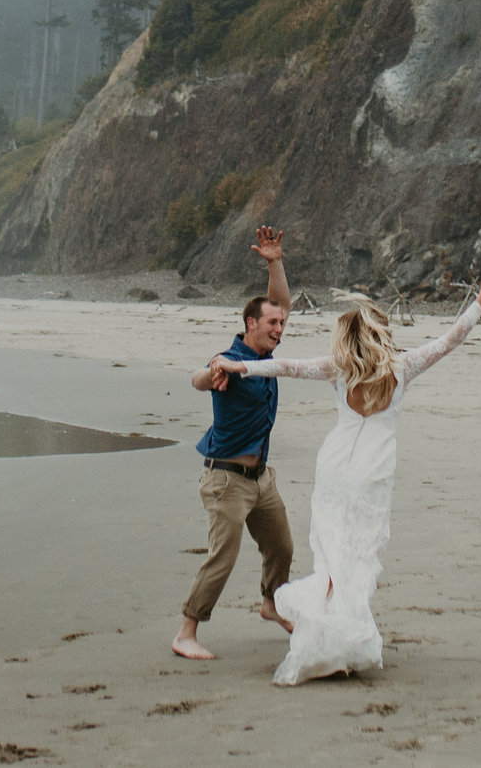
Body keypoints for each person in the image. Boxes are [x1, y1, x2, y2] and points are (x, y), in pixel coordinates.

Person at [206, 261, 481, 685]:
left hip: (333, 472)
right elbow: (450, 339)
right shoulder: (403, 368)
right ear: (380, 335)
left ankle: (326, 637)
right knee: (358, 560)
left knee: (330, 557)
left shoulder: (339, 369)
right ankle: (344, 641)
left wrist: (243, 367)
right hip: (370, 477)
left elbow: (287, 366)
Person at [172, 225, 295, 662]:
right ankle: (186, 631)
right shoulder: (233, 359)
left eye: (281, 323)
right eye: (271, 323)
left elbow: (280, 300)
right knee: (222, 559)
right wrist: (212, 374)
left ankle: (271, 603)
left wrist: (275, 262)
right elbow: (199, 378)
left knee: (281, 546)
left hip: (261, 477)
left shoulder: (265, 359)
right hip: (226, 479)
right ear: (250, 324)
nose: (279, 327)